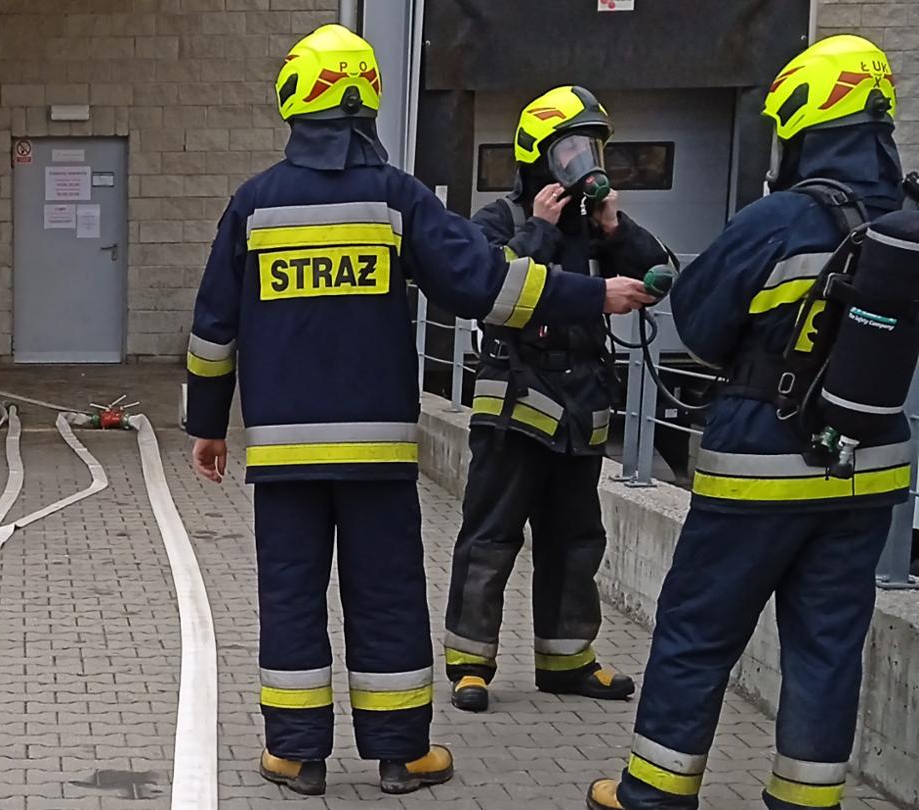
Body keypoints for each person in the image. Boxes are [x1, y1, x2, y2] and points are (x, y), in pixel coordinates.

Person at [184, 23, 654, 798]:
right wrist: (592, 292)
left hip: (284, 457)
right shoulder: (396, 197)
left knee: (292, 596)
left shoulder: (254, 204)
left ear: (293, 101)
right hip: (375, 455)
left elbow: (211, 329)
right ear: (367, 99)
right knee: (388, 595)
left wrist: (206, 425)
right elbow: (486, 284)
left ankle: (296, 756)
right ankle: (402, 753)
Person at [585, 34, 905, 810]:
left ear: (802, 122)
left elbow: (695, 320)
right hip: (869, 470)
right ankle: (805, 800)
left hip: (761, 463)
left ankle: (655, 793)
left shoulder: (780, 219)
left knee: (698, 633)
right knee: (828, 649)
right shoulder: (905, 223)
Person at [444, 86, 674, 713]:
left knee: (576, 540)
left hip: (579, 408)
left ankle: (567, 660)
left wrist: (613, 227)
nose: (583, 160)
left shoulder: (592, 231)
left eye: (591, 146)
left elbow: (658, 276)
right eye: (570, 148)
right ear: (538, 156)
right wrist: (542, 229)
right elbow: (492, 287)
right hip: (515, 406)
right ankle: (470, 663)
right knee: (491, 536)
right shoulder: (502, 221)